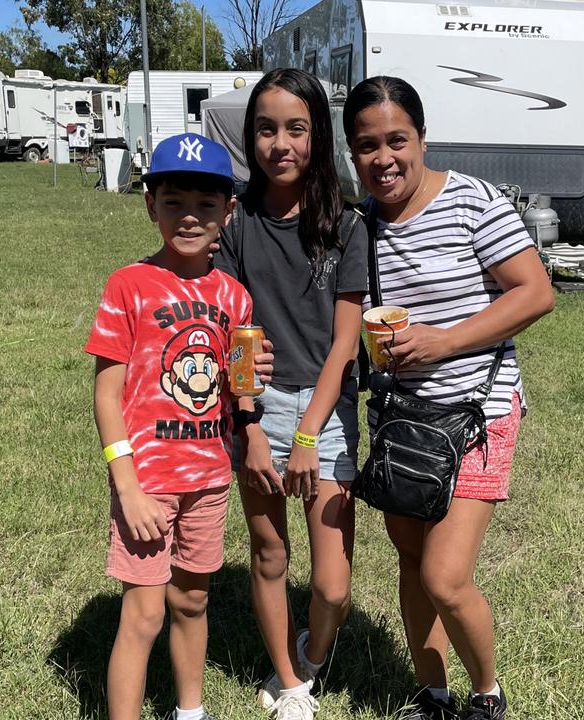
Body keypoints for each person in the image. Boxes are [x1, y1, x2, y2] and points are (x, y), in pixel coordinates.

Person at [341, 77, 555, 720]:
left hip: (477, 415)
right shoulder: (363, 225)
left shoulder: (472, 202)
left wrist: (445, 342)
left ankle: (486, 694)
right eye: (366, 146)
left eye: (397, 141)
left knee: (445, 576)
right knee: (411, 560)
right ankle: (431, 694)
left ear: (422, 138)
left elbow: (534, 292)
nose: (384, 159)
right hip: (400, 419)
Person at [85, 132, 257, 720]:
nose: (190, 217)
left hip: (209, 476)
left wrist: (253, 374)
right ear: (149, 204)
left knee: (190, 600)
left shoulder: (234, 296)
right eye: (174, 201)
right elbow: (107, 394)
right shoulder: (126, 285)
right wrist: (126, 485)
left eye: (206, 206)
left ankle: (190, 711)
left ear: (227, 213)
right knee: (145, 612)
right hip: (147, 482)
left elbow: (234, 387)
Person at [215, 68, 368, 720]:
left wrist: (308, 434)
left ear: (318, 136)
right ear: (251, 137)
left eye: (296, 128)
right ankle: (291, 683)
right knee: (270, 553)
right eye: (266, 128)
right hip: (254, 412)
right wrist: (249, 427)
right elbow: (234, 334)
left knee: (332, 586)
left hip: (325, 415)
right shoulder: (236, 223)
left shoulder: (346, 227)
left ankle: (307, 654)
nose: (281, 142)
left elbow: (344, 345)